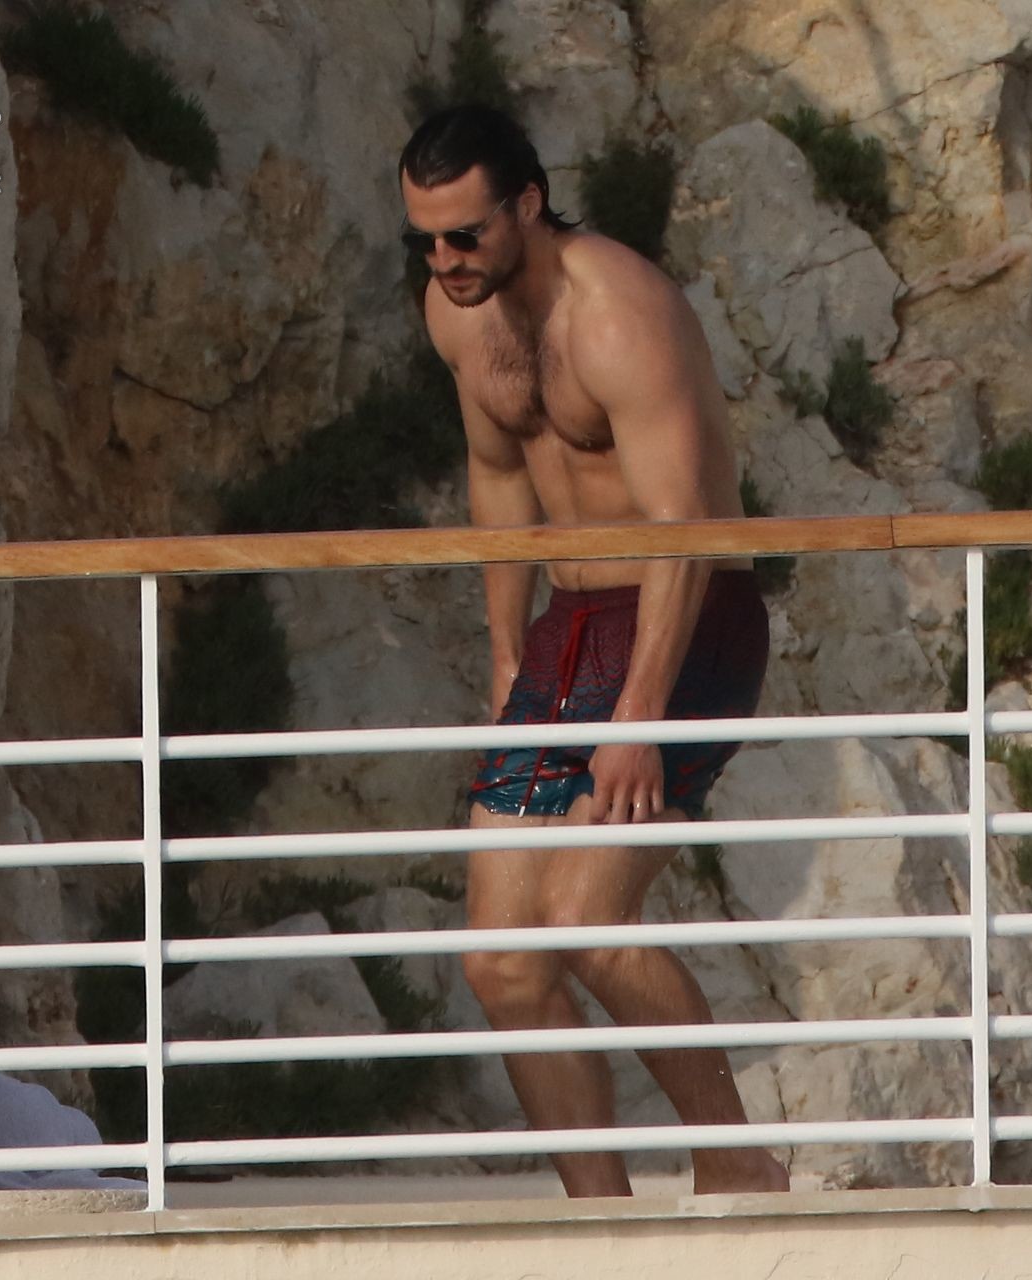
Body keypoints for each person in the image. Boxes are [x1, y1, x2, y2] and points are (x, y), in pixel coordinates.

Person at [400, 105, 787, 1197]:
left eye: (465, 234)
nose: (445, 260)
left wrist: (640, 718)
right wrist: (503, 655)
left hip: (686, 617)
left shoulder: (617, 312)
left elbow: (684, 528)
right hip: (565, 630)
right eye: (425, 241)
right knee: (502, 962)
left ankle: (740, 1167)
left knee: (585, 919)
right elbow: (498, 475)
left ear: (527, 203)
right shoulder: (457, 314)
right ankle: (598, 1221)